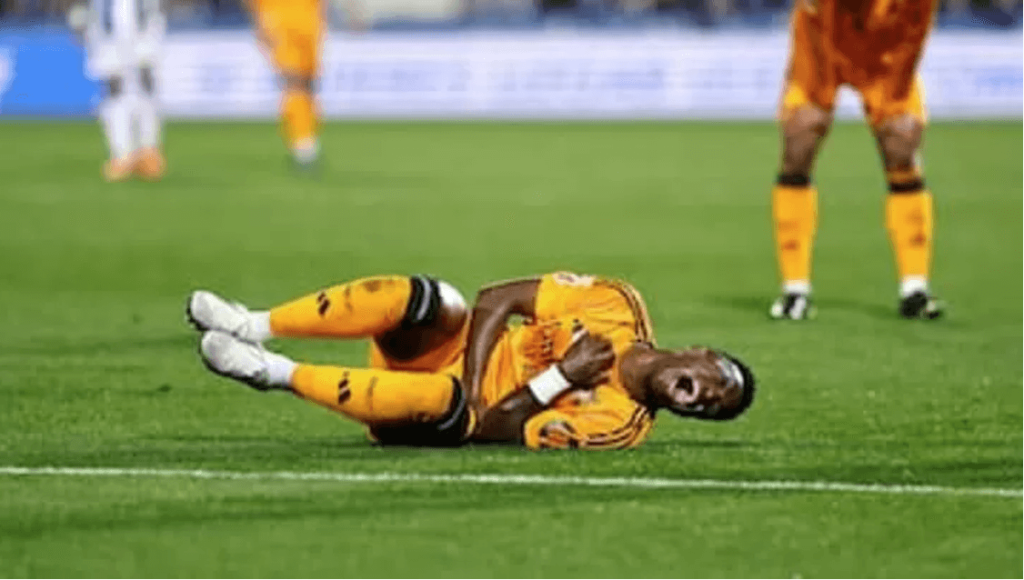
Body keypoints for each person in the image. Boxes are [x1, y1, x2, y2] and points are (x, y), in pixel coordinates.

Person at [186, 272, 755, 450]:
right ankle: (252, 324)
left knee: (447, 401)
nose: (705, 398)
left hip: (434, 416)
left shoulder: (616, 426)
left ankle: (268, 371)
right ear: (700, 354)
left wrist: (561, 376)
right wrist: (480, 380)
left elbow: (496, 434)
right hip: (458, 361)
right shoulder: (616, 304)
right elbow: (497, 299)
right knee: (436, 298)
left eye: (711, 409)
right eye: (717, 382)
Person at [769, 0, 944, 320]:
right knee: (802, 133)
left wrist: (895, 100)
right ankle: (795, 288)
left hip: (885, 56)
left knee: (900, 141)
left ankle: (915, 288)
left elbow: (915, 36)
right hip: (822, 45)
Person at [67, 0, 166, 182]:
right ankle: (122, 154)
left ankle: (148, 151)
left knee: (146, 86)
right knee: (114, 90)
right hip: (106, 32)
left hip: (142, 27)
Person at [243, 0, 323, 168]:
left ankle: (306, 138)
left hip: (308, 16)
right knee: (294, 81)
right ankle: (302, 143)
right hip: (281, 18)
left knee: (307, 82)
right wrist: (258, 20)